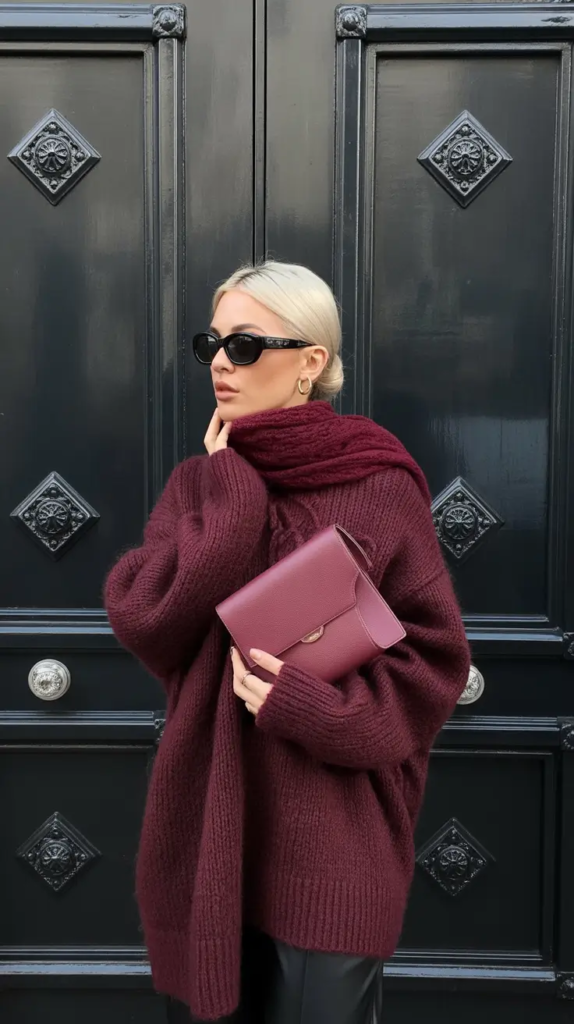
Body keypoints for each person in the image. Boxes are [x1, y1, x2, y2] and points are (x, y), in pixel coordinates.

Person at [104, 261, 470, 1023]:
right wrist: (230, 484)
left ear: (311, 362)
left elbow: (434, 667)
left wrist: (304, 705)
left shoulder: (378, 484)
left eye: (243, 345)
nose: (218, 363)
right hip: (210, 837)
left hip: (334, 842)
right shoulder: (198, 486)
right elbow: (148, 621)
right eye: (212, 343)